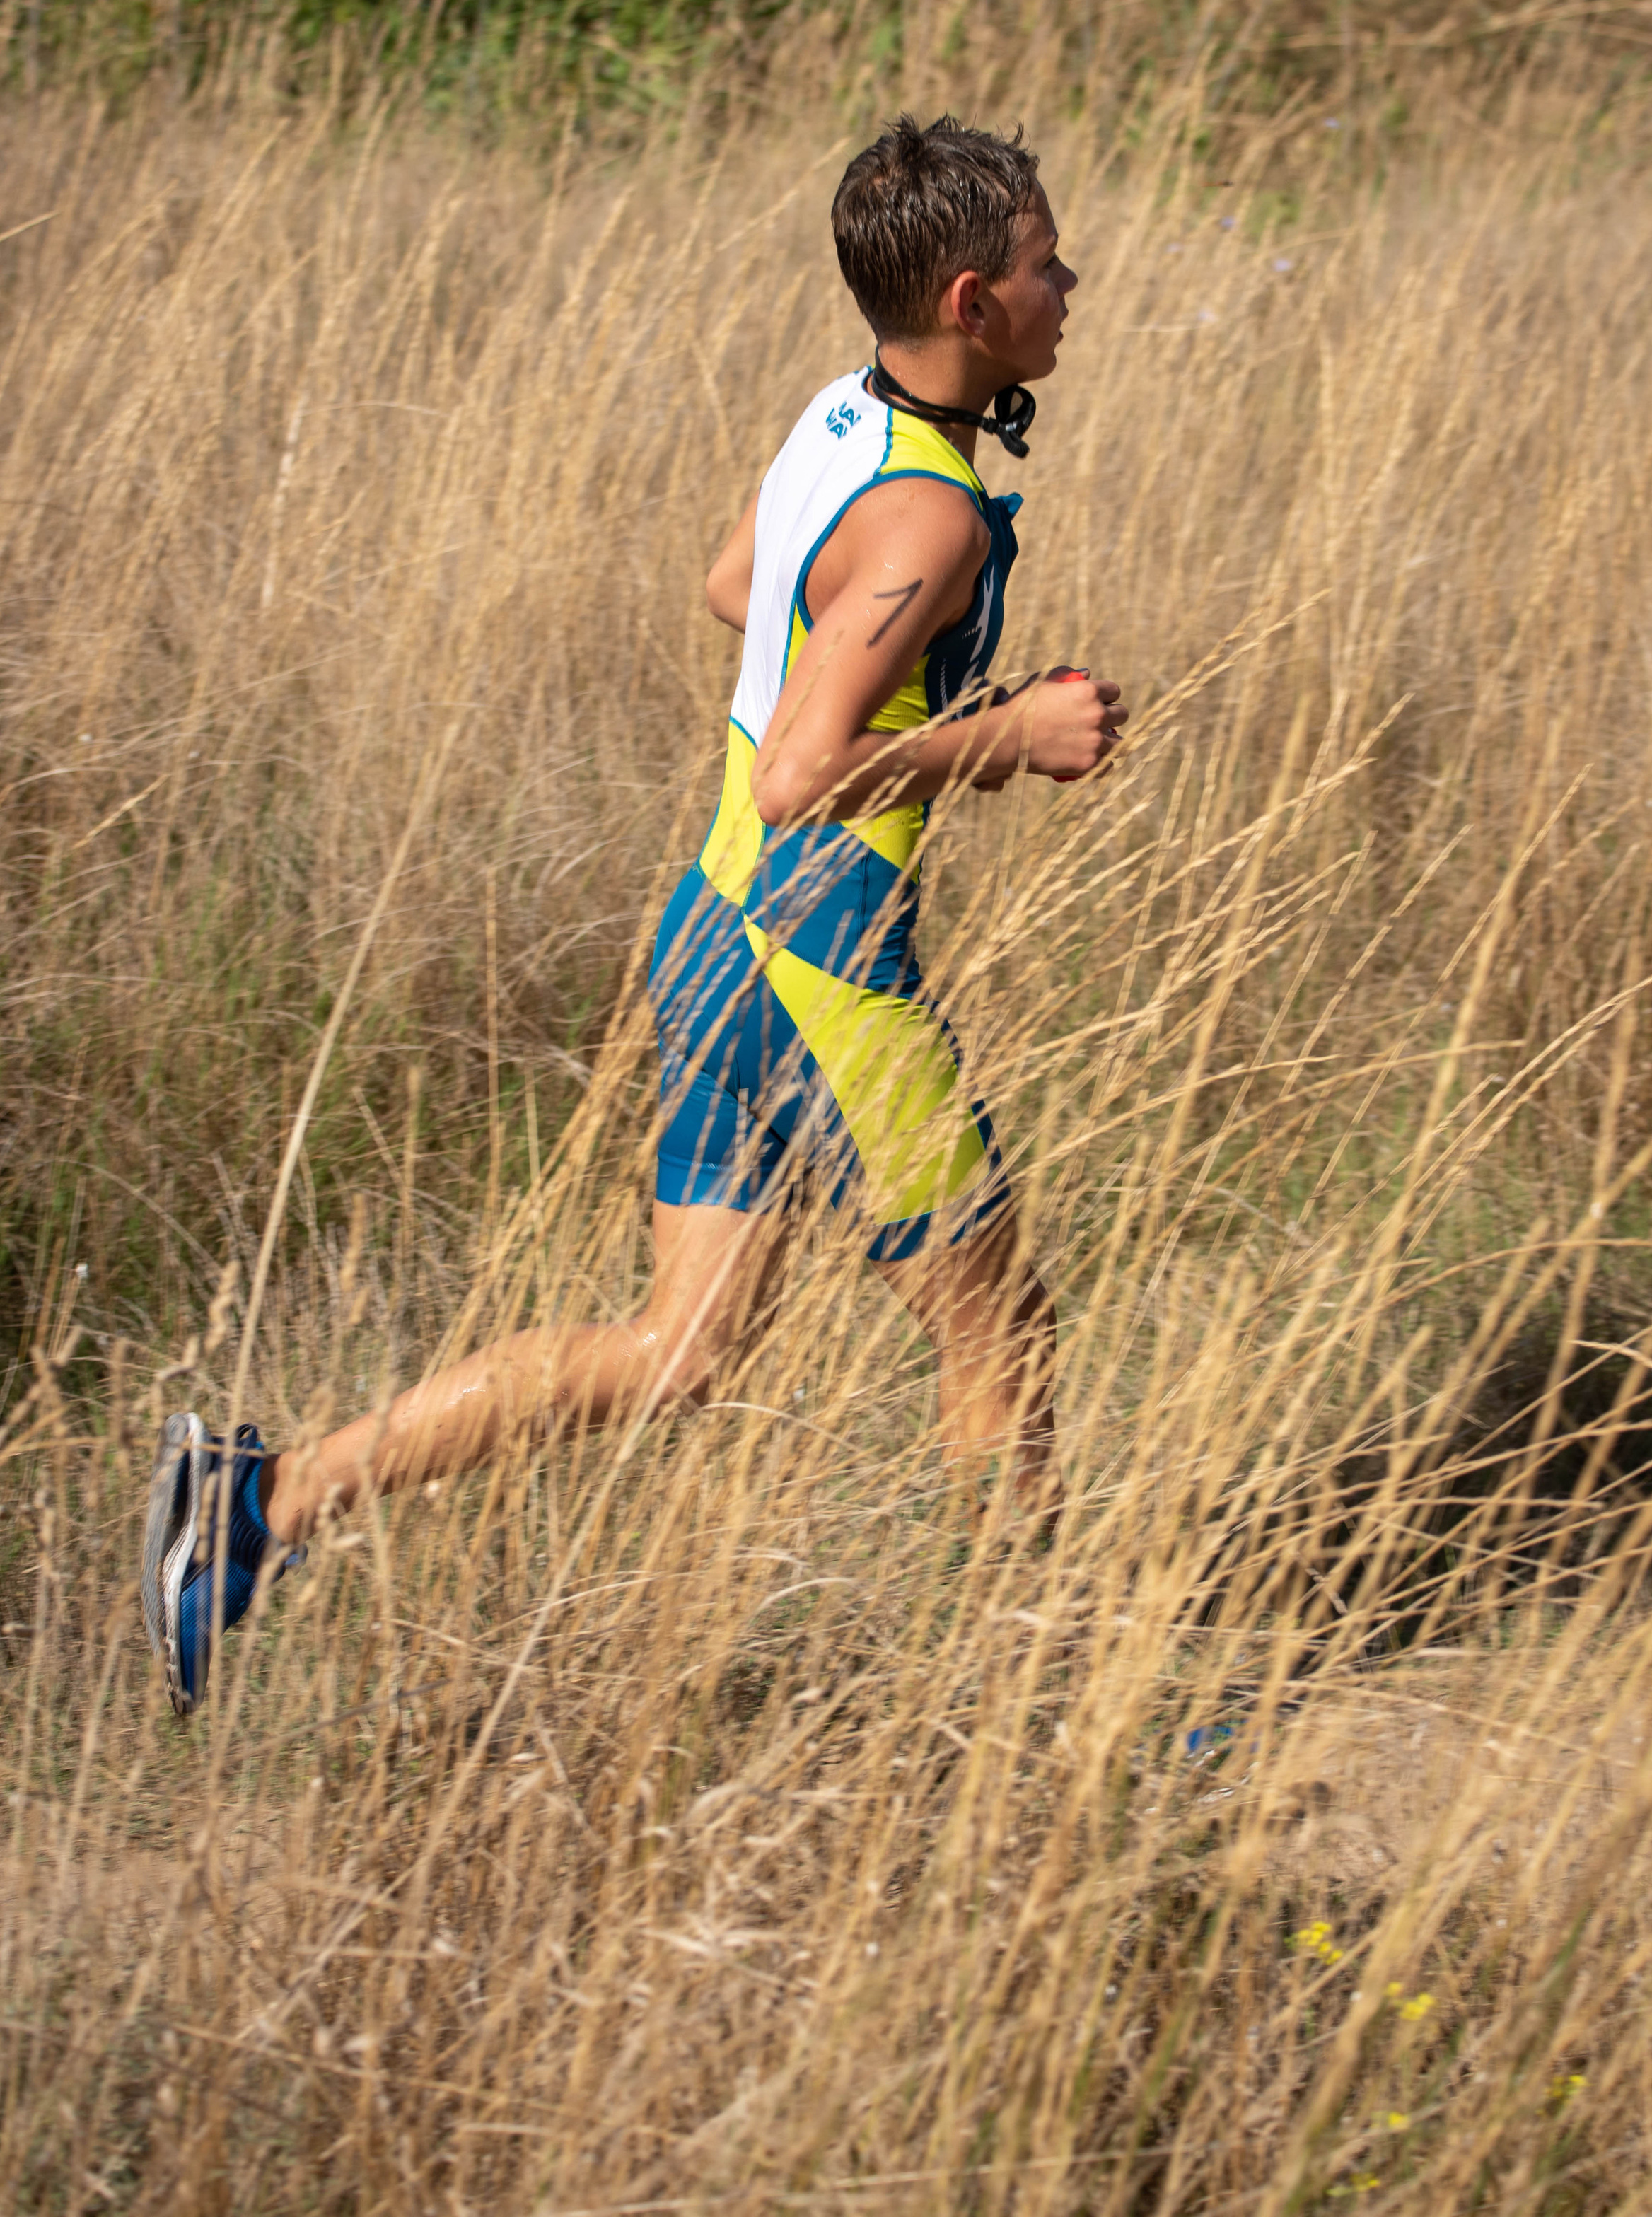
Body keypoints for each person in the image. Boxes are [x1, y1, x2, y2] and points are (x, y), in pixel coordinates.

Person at [141, 114, 1127, 1718]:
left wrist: (883, 674)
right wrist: (1005, 732)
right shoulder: (933, 514)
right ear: (969, 302)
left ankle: (261, 1505)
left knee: (681, 1352)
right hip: (821, 969)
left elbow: (739, 586)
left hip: (713, 932)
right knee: (994, 1328)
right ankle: (1047, 1717)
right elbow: (802, 774)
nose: (1067, 286)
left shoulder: (842, 416)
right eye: (1044, 264)